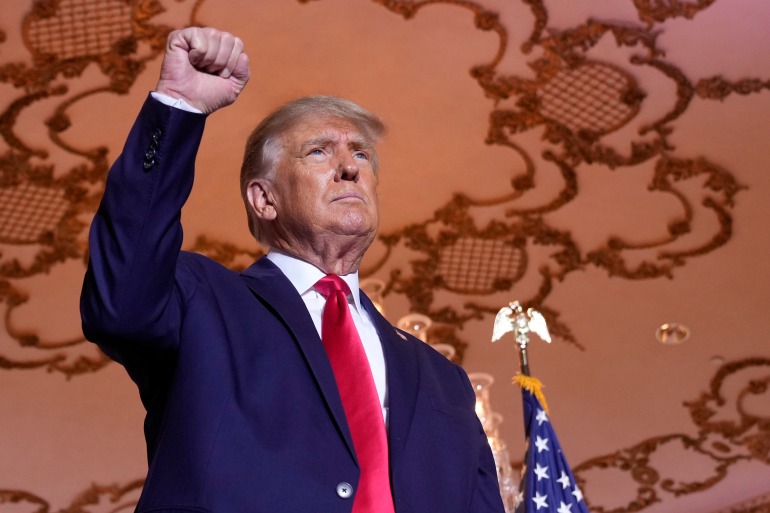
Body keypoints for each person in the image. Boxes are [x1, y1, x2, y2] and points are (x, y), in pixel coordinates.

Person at [81, 26, 505, 513]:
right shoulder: (201, 302)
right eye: (320, 151)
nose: (351, 168)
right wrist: (178, 106)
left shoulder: (442, 378)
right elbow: (120, 300)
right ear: (264, 199)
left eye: (361, 154)